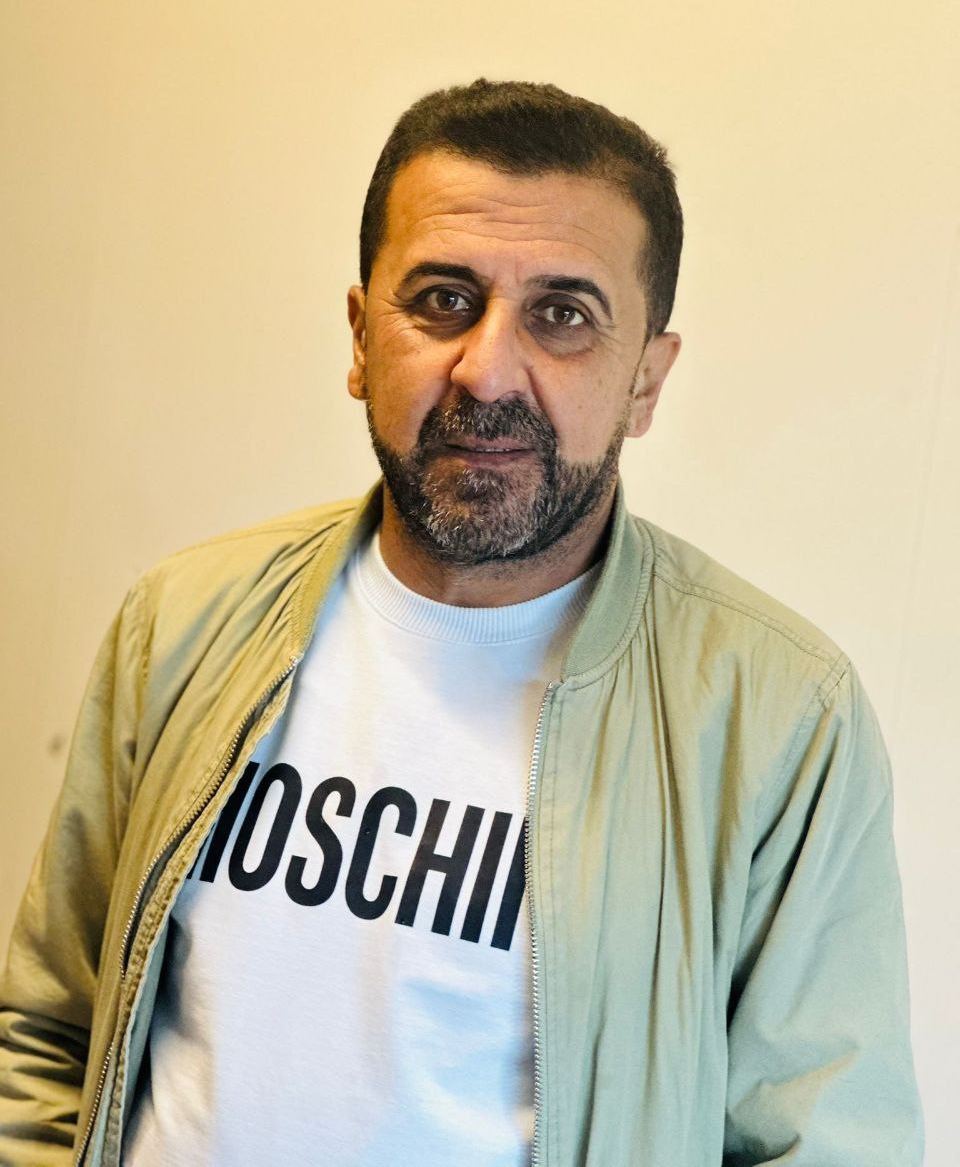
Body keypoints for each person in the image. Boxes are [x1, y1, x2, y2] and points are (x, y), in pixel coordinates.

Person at [0, 79, 923, 1167]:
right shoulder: (185, 619)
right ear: (361, 337)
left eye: (563, 315)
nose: (486, 370)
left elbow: (823, 1146)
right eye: (443, 299)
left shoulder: (777, 716)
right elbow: (47, 1037)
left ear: (645, 380)